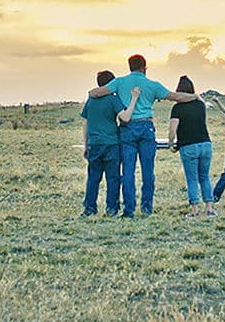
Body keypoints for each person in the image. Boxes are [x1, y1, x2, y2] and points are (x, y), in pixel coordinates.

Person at [88, 54, 200, 217]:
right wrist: (194, 96)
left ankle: (129, 210)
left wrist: (92, 91)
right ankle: (146, 208)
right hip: (146, 127)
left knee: (128, 171)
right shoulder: (152, 85)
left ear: (130, 66)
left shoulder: (119, 82)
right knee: (148, 171)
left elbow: (96, 93)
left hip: (127, 128)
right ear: (144, 67)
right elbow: (175, 96)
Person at [154, 76, 215, 218]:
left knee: (192, 179)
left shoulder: (177, 108)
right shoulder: (200, 105)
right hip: (205, 144)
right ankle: (209, 209)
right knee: (205, 177)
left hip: (188, 146)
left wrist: (170, 143)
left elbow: (172, 129)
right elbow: (199, 102)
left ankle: (194, 210)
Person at [79, 70, 134, 216]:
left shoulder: (90, 100)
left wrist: (86, 145)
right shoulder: (113, 99)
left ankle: (90, 208)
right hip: (111, 143)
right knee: (113, 178)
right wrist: (134, 99)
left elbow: (85, 122)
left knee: (93, 178)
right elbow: (125, 117)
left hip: (94, 143)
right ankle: (112, 208)